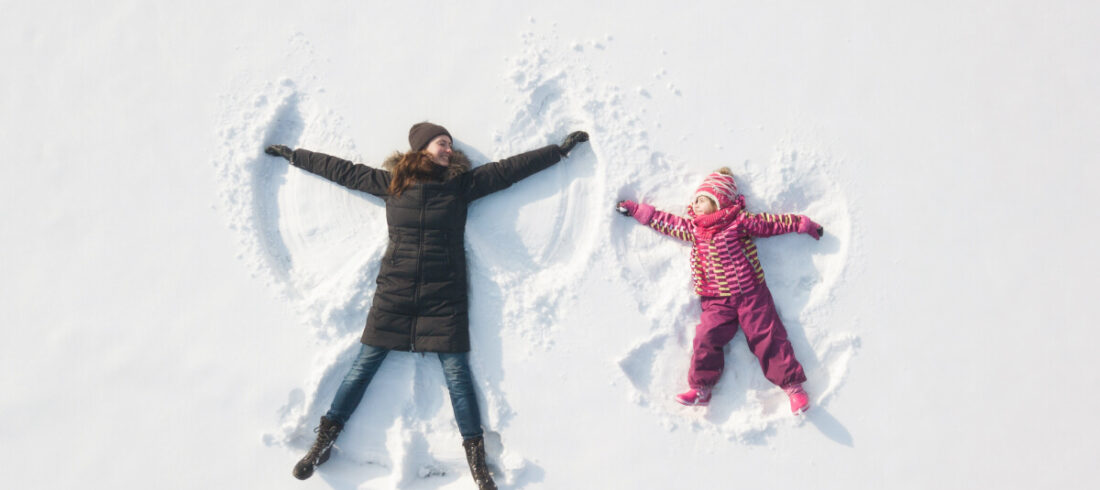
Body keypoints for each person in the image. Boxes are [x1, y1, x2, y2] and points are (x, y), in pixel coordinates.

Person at [264, 122, 589, 489]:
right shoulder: (394, 183)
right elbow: (343, 171)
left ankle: (478, 464)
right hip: (395, 294)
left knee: (458, 378)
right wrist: (296, 157)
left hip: (444, 296)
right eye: (441, 143)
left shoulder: (460, 185)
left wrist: (558, 152)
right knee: (362, 367)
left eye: (449, 144)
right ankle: (322, 444)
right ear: (421, 148)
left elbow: (508, 170)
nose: (448, 149)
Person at [616, 167, 822, 414]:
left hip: (751, 294)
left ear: (719, 203)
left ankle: (793, 388)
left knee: (767, 336)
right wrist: (639, 211)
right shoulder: (695, 229)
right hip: (716, 300)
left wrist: (802, 223)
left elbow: (771, 224)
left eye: (704, 200)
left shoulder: (739, 223)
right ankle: (701, 389)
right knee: (706, 337)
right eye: (696, 199)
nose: (697, 204)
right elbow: (668, 223)